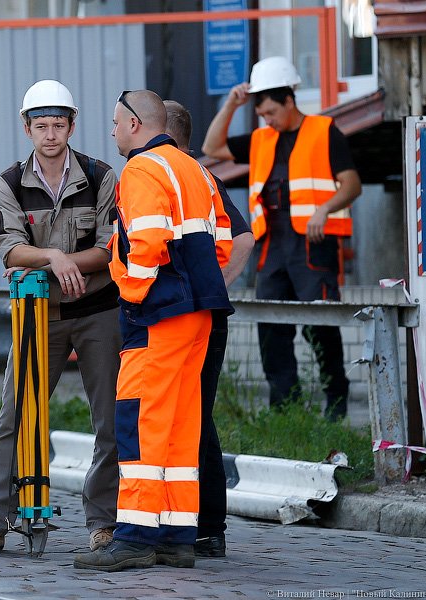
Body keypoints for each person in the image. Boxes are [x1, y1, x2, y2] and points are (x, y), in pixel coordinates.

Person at [74, 90, 233, 572]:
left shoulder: (142, 169)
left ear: (135, 124)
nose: (112, 132)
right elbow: (223, 242)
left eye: (116, 123)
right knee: (181, 425)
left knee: (141, 424)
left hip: (158, 315)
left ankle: (136, 537)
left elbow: (145, 243)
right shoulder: (195, 169)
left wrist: (132, 292)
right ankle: (177, 537)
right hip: (199, 313)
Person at [0, 80, 121, 554]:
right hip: (37, 315)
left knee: (110, 420)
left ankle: (104, 524)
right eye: (41, 126)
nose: (50, 135)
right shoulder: (10, 182)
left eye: (58, 125)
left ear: (72, 125)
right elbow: (10, 249)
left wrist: (60, 261)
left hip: (98, 311)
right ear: (26, 128)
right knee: (13, 416)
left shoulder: (100, 176)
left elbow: (110, 248)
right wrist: (55, 257)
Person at [201, 56, 361, 420]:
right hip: (272, 244)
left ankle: (336, 400)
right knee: (272, 326)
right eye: (262, 114)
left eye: (271, 112)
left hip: (313, 244)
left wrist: (324, 209)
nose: (267, 120)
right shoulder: (262, 139)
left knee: (321, 325)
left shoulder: (325, 131)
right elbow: (212, 147)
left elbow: (351, 184)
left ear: (290, 100)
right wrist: (231, 104)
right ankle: (285, 407)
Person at [164, 100, 254, 559]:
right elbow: (241, 237)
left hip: (191, 316)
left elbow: (243, 238)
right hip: (194, 313)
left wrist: (209, 289)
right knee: (194, 417)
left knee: (192, 418)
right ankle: (203, 526)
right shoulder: (193, 177)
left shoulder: (190, 179)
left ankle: (201, 525)